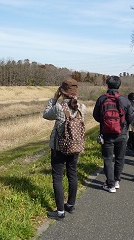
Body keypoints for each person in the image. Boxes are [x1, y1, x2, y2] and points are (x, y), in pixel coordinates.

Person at [43, 77, 86, 220]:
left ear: (62, 91)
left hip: (59, 148)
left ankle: (60, 211)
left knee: (58, 177)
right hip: (75, 146)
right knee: (72, 174)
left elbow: (46, 114)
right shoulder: (82, 107)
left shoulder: (58, 107)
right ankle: (70, 205)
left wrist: (54, 98)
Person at [93, 75, 134, 192]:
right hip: (122, 134)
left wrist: (106, 122)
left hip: (106, 134)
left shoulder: (102, 99)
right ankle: (116, 181)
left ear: (107, 85)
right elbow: (131, 118)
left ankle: (110, 184)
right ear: (119, 86)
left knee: (108, 158)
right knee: (120, 158)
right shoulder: (125, 100)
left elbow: (96, 116)